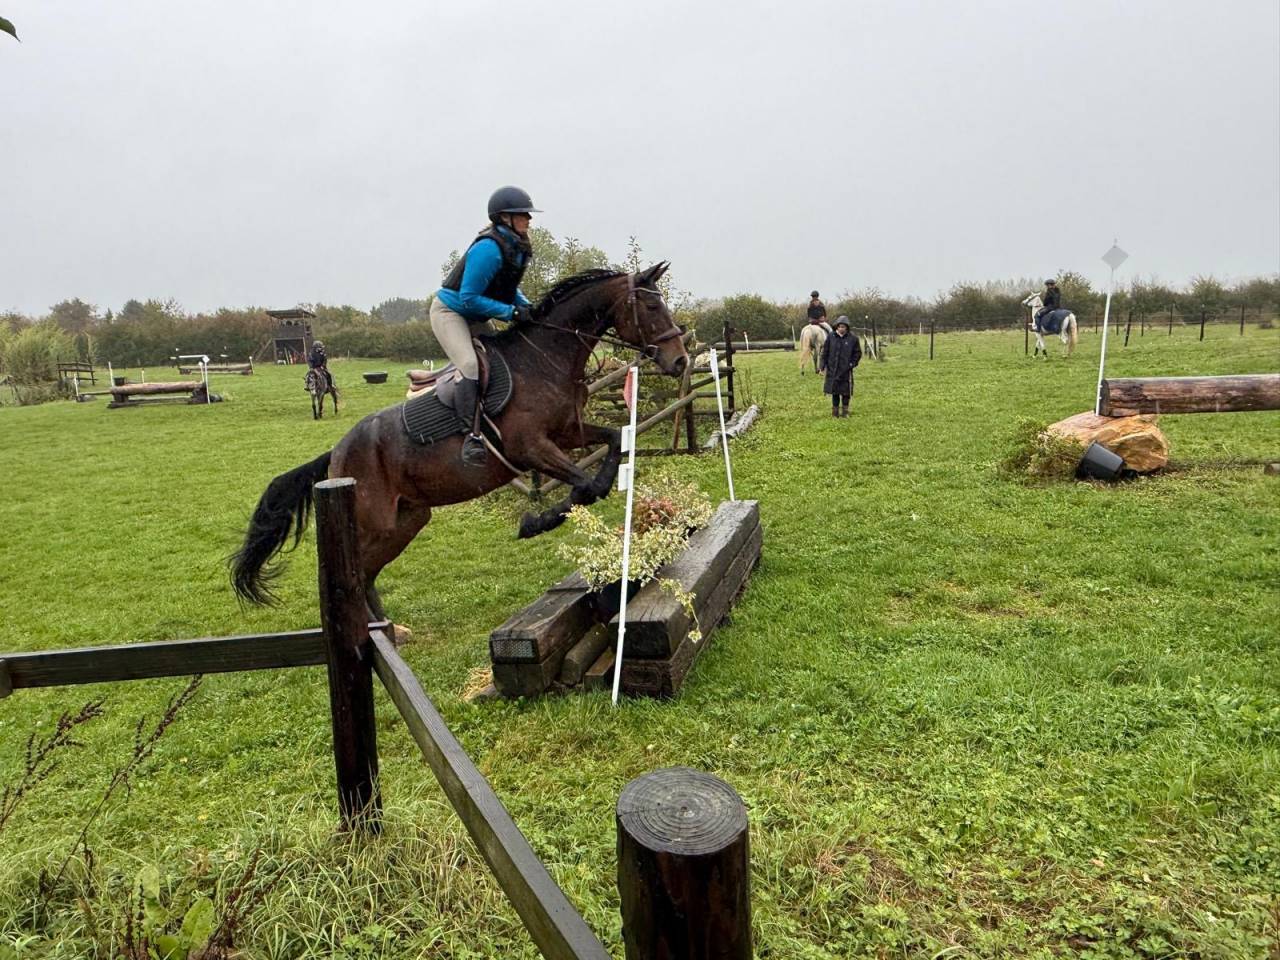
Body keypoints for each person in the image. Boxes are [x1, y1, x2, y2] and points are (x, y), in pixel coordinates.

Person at [433, 185, 540, 465]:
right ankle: (471, 437)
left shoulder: (515, 247)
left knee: (502, 362)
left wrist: (526, 306)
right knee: (469, 365)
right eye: (523, 215)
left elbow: (506, 287)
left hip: (475, 315)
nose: (529, 219)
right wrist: (511, 314)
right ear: (505, 218)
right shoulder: (489, 249)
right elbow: (468, 298)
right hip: (451, 312)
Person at [819, 316, 861, 418]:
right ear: (836, 327)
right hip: (833, 370)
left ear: (847, 328)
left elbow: (857, 353)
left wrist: (852, 364)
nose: (841, 329)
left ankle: (845, 412)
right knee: (835, 392)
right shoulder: (831, 337)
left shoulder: (853, 339)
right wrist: (822, 366)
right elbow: (825, 352)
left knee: (846, 392)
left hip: (846, 371)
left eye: (843, 327)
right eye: (840, 326)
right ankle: (835, 412)